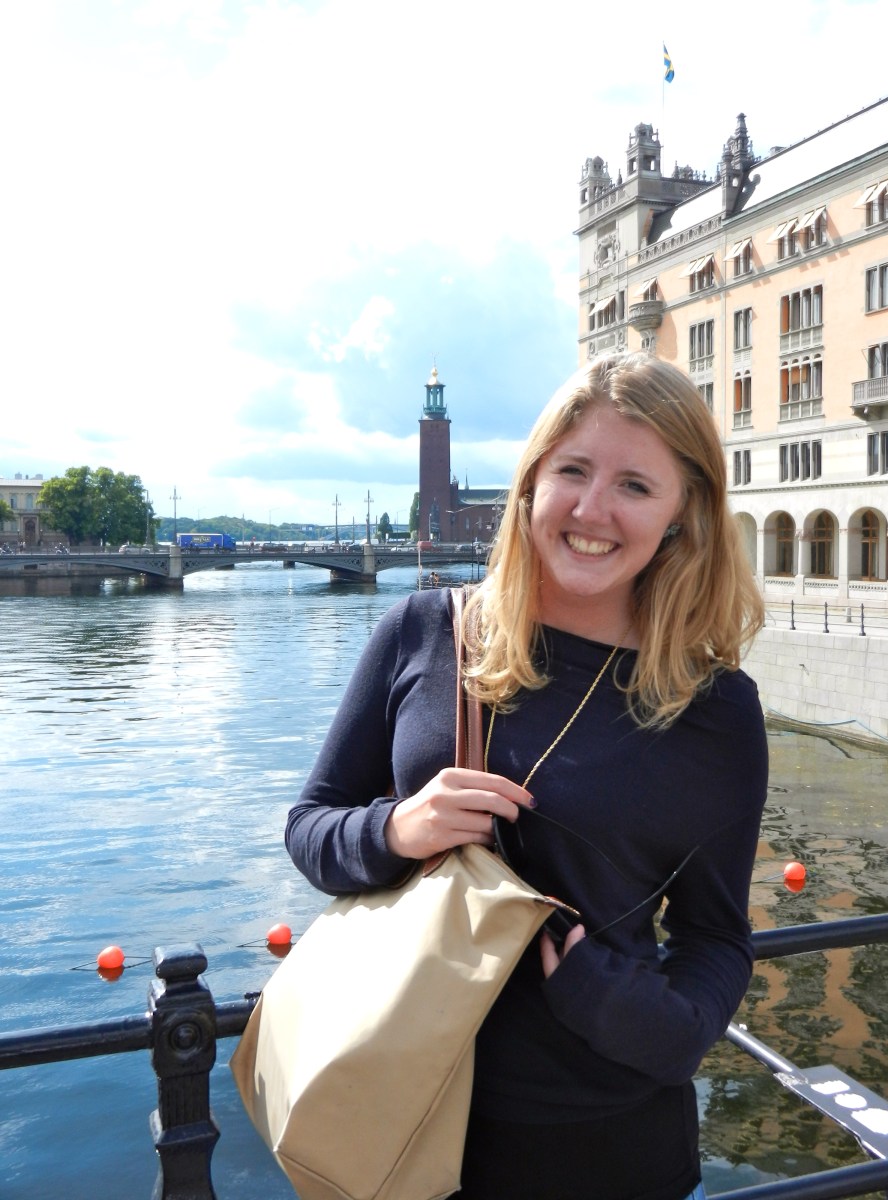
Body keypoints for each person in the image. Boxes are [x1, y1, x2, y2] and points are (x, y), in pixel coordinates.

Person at [285, 352, 768, 1200]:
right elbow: (311, 827)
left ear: (683, 513)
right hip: (396, 1126)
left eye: (634, 485)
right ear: (531, 481)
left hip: (611, 1150)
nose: (591, 509)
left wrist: (645, 1021)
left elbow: (717, 938)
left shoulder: (715, 708)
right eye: (573, 471)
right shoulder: (424, 632)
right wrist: (395, 829)